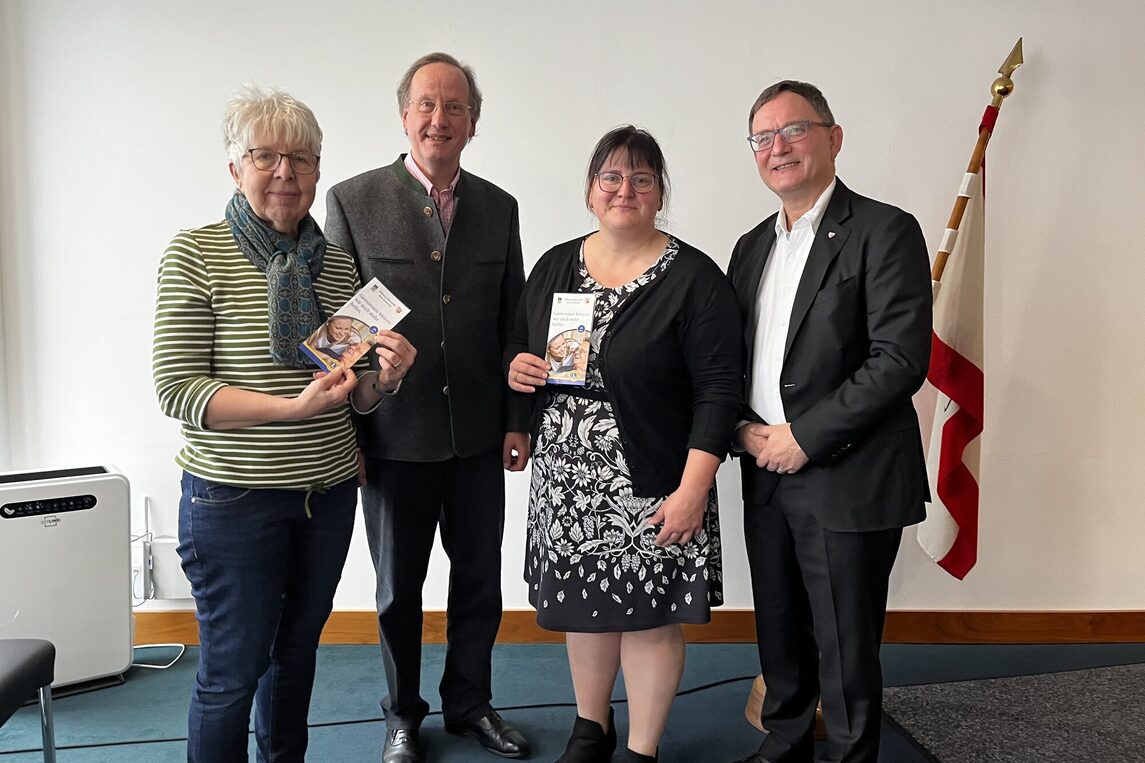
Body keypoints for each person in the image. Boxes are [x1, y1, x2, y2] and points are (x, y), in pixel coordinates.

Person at [152, 85, 415, 763]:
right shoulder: (196, 253)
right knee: (232, 670)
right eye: (264, 155)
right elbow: (178, 389)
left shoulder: (337, 265)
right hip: (232, 498)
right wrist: (288, 409)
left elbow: (351, 392)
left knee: (295, 657)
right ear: (234, 167)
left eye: (301, 158)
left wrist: (381, 380)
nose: (284, 173)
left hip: (325, 497)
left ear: (317, 171)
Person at [507, 126, 743, 763]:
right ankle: (592, 729)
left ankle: (641, 749)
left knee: (648, 615)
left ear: (660, 193)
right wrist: (518, 379)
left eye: (642, 178)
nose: (625, 189)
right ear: (590, 191)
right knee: (585, 610)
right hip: (567, 477)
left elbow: (719, 391)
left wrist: (694, 489)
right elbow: (525, 352)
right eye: (611, 177)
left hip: (655, 477)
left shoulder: (695, 279)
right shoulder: (557, 264)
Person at [324, 52, 529, 763]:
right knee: (395, 591)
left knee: (479, 581)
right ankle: (401, 715)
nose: (439, 119)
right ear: (404, 114)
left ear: (473, 121)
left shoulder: (499, 207)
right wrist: (345, 432)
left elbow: (514, 325)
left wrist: (514, 419)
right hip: (390, 435)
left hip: (476, 433)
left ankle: (471, 702)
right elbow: (340, 333)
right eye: (426, 106)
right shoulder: (352, 201)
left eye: (455, 107)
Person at [727, 81, 932, 762]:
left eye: (793, 130)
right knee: (779, 633)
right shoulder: (749, 246)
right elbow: (726, 359)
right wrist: (740, 430)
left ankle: (849, 755)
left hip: (847, 474)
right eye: (762, 137)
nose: (777, 148)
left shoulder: (884, 229)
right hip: (763, 470)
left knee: (844, 645)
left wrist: (803, 437)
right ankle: (785, 743)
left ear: (833, 138)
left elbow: (898, 358)